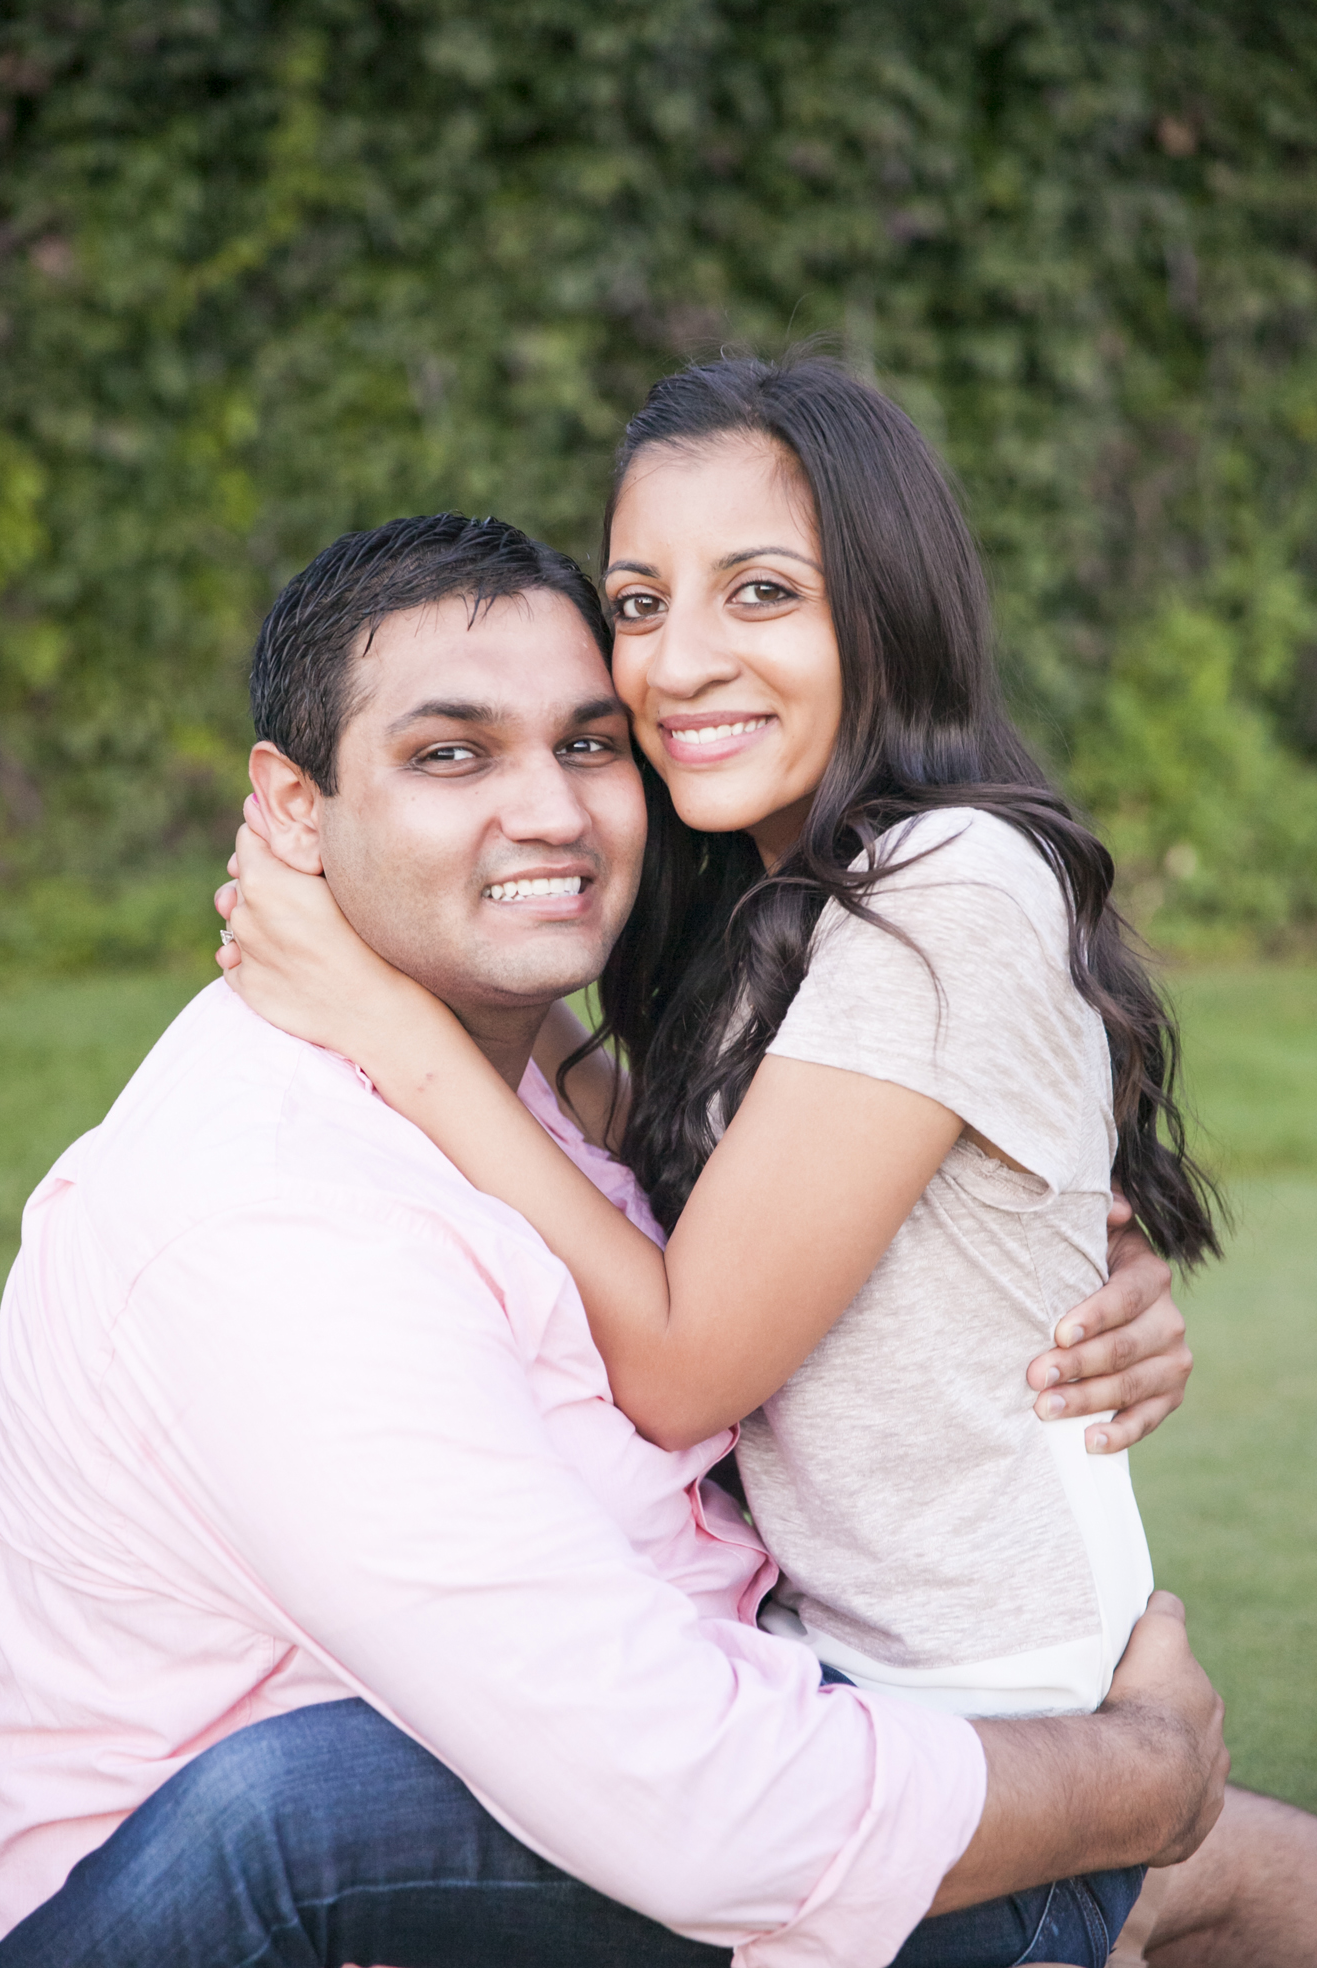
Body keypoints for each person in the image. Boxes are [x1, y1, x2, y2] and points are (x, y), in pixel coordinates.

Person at [0, 513, 1234, 1968]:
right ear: (293, 808)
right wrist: (1129, 1777)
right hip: (347, 1943)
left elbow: (755, 1260)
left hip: (633, 1820)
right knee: (1095, 1923)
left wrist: (1037, 1293)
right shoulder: (270, 1221)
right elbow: (695, 1805)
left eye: (588, 746)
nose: (553, 815)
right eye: (450, 754)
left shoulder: (525, 1085)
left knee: (1213, 1875)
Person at [214, 354, 1218, 1729]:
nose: (675, 663)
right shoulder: (777, 901)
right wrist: (421, 966)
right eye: (638, 604)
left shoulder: (948, 882)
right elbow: (700, 1166)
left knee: (310, 1818)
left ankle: (1028, 1958)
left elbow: (686, 1369)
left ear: (885, 610)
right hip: (838, 1665)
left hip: (979, 1706)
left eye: (761, 592)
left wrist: (386, 1022)